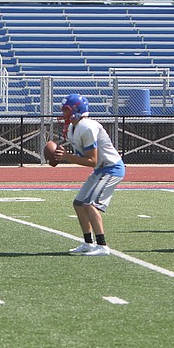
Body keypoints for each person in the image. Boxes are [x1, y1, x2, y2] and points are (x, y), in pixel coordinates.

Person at [50, 94, 125, 256]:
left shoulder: (87, 127)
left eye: (67, 110)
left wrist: (67, 157)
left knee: (89, 203)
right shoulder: (73, 128)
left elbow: (92, 160)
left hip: (111, 168)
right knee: (78, 203)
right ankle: (88, 243)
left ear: (77, 110)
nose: (64, 114)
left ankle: (102, 245)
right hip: (101, 169)